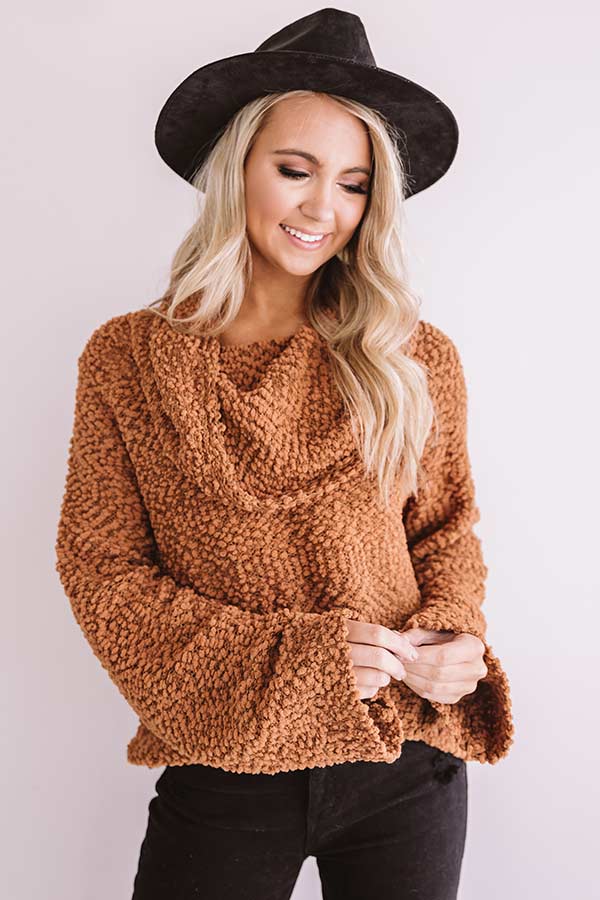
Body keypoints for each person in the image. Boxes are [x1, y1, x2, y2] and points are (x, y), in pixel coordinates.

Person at [55, 8, 514, 899]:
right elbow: (102, 569)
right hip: (225, 756)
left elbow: (445, 531)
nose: (322, 209)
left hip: (404, 758)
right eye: (294, 170)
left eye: (354, 183)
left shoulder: (414, 358)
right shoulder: (130, 360)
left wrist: (455, 637)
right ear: (236, 167)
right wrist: (297, 661)